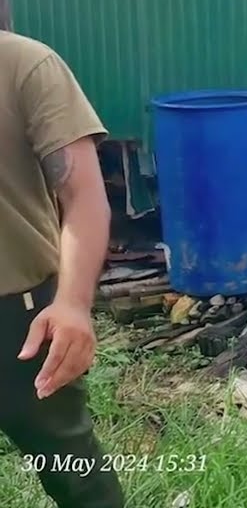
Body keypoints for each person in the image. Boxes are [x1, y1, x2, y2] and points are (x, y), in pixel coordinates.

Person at [1, 32, 125, 508]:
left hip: (21, 323)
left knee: (75, 474)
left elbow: (84, 197)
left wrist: (72, 303)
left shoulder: (25, 66)